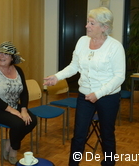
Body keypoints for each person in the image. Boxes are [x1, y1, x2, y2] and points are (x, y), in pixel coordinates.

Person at [44, 7, 125, 166]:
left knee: (107, 134)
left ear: (104, 27)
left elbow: (119, 77)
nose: (86, 25)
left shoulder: (115, 47)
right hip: (85, 97)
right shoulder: (82, 41)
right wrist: (57, 77)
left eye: (91, 23)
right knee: (79, 135)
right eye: (88, 22)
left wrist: (99, 93)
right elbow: (74, 66)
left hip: (108, 97)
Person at [0, 41, 37, 165]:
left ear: (12, 58)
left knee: (31, 120)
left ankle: (9, 143)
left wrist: (23, 109)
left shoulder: (19, 71)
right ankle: (14, 150)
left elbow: (24, 92)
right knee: (18, 123)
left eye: (6, 54)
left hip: (13, 105)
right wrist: (12, 111)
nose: (1, 56)